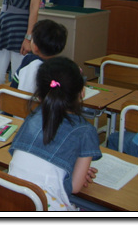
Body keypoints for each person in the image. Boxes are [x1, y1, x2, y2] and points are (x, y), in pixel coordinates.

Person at [8, 57, 102, 211]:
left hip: (12, 201)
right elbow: (75, 187)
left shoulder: (32, 117)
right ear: (82, 92)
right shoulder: (86, 131)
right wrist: (79, 173)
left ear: (39, 94)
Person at [10, 19, 68, 94]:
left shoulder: (30, 61)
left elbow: (24, 93)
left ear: (35, 47)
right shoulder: (61, 65)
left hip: (22, 102)